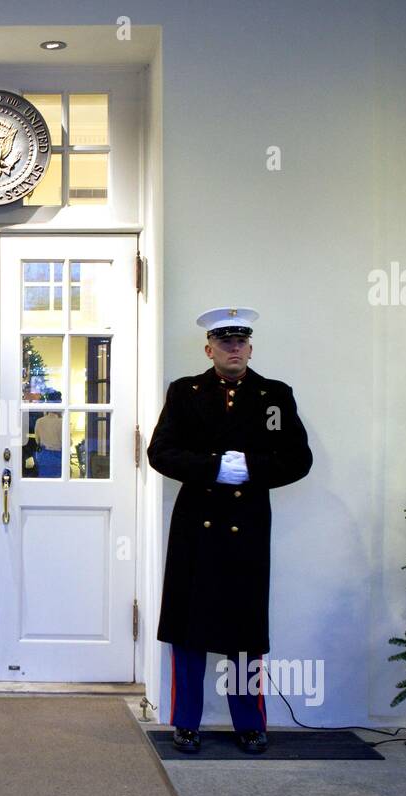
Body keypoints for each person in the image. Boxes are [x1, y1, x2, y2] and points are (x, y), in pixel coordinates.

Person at [146, 307, 313, 754]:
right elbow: (160, 452)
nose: (233, 348)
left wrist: (250, 469)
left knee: (244, 631)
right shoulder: (185, 393)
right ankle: (185, 723)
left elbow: (297, 459)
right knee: (187, 629)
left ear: (251, 348)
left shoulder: (274, 397)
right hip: (195, 527)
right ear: (209, 348)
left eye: (240, 342)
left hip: (248, 527)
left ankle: (250, 724)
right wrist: (215, 468)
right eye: (225, 342)